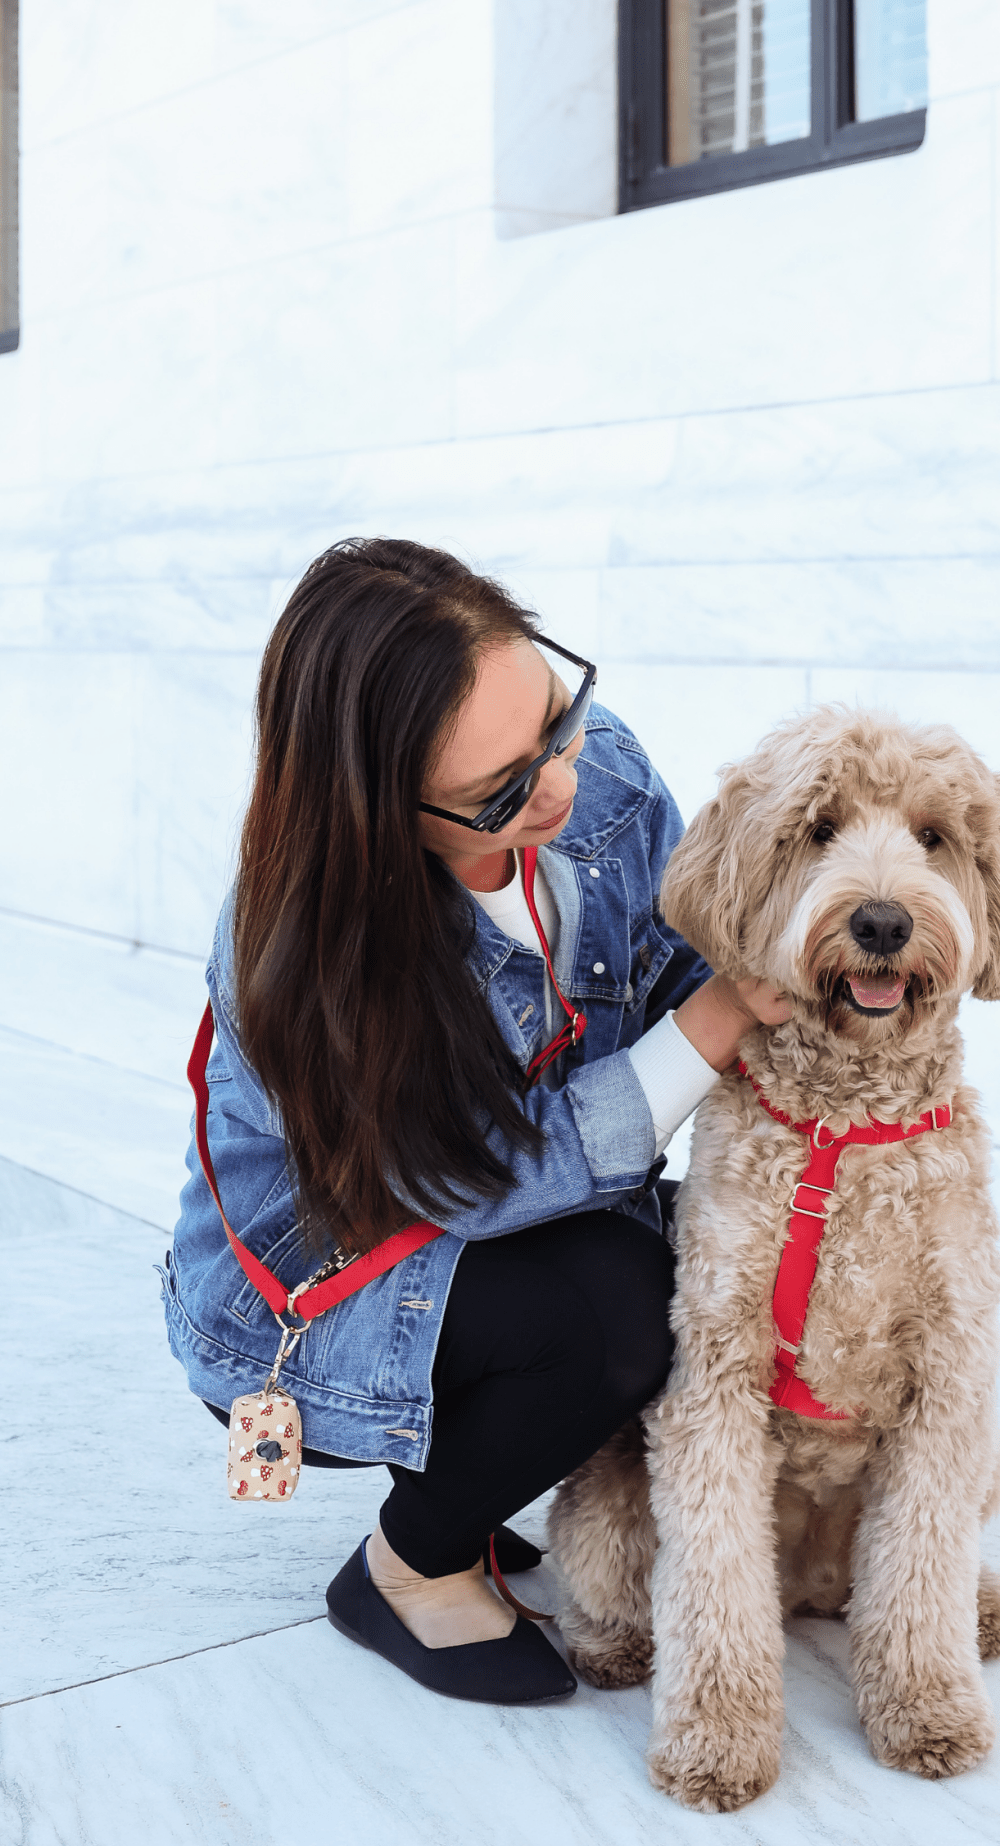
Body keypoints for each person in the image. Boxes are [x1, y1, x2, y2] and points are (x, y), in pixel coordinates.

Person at [161, 538, 789, 1705]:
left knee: (690, 1265)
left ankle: (483, 1470)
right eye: (499, 793)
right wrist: (709, 1029)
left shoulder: (593, 772)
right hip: (316, 1292)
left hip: (496, 1225)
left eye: (556, 715)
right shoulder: (303, 944)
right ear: (374, 809)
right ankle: (406, 1564)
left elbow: (676, 959)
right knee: (620, 1304)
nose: (558, 784)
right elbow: (476, 1183)